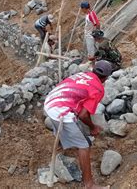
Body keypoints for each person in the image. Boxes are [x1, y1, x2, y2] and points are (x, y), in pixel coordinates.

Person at [44, 60, 114, 189]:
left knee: (65, 123)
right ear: (106, 78)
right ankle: (89, 184)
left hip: (50, 101)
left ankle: (63, 143)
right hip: (60, 110)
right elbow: (83, 115)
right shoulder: (98, 88)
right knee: (84, 145)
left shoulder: (84, 74)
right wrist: (93, 127)